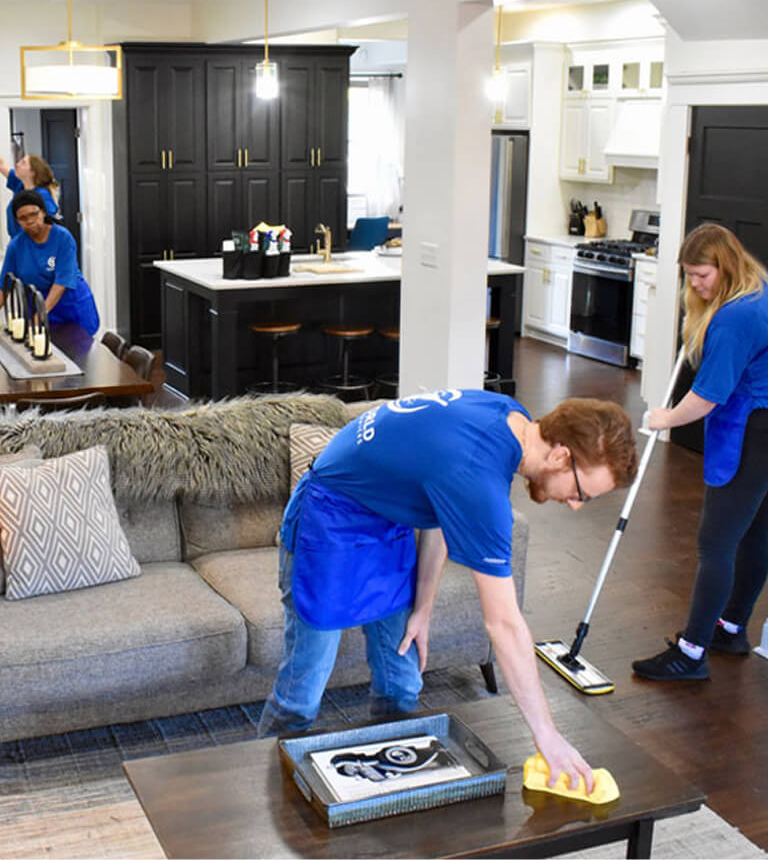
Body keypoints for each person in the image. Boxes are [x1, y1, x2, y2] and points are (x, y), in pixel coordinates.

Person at [258, 389, 638, 792]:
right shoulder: (480, 472)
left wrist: (422, 609)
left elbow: (443, 505)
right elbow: (505, 625)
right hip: (331, 515)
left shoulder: (512, 419)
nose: (576, 505)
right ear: (561, 456)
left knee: (401, 686)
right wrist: (547, 736)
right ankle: (260, 796)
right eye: (582, 493)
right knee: (301, 698)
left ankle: (384, 790)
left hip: (387, 523)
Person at [633, 223, 768, 681]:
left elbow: (709, 394)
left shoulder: (735, 317)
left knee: (716, 543)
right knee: (755, 534)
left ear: (725, 267)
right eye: (688, 276)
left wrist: (662, 418)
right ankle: (731, 627)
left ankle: (690, 654)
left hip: (754, 429)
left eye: (702, 276)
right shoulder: (759, 289)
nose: (695, 284)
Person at [0, 190, 99, 335]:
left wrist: (40, 315)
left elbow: (62, 282)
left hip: (70, 305)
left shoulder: (63, 238)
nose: (29, 221)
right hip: (39, 305)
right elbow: (4, 286)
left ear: (43, 212)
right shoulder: (16, 246)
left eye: (34, 214)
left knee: (77, 353)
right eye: (23, 218)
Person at [0, 153, 61, 239]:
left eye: (23, 163)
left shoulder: (43, 196)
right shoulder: (21, 186)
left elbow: (48, 229)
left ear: (32, 172)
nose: (17, 165)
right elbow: (1, 164)